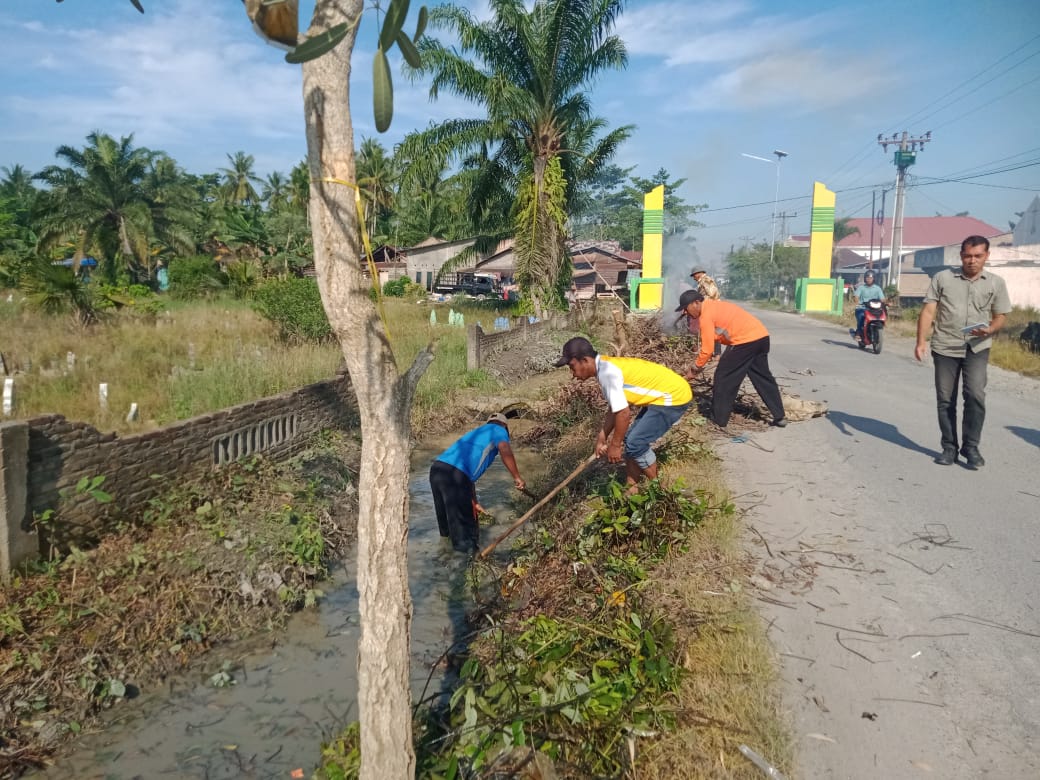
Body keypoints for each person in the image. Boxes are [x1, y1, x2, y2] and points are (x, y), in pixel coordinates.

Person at [915, 235, 1011, 469]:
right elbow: (928, 311)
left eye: (978, 256)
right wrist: (920, 342)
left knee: (975, 395)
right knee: (945, 399)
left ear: (987, 256)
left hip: (977, 347)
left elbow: (1001, 316)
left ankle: (971, 447)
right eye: (967, 255)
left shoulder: (996, 283)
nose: (972, 260)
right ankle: (949, 447)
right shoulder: (943, 278)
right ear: (961, 256)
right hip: (945, 346)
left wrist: (990, 329)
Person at [554, 336, 692, 495]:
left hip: (673, 397)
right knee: (630, 439)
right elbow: (615, 407)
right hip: (667, 394)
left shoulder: (607, 373)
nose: (573, 374)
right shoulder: (605, 366)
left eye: (572, 367)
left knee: (635, 443)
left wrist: (615, 445)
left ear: (585, 360)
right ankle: (631, 487)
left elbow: (623, 413)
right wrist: (602, 437)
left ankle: (662, 491)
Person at [676, 290, 787, 428]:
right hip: (761, 337)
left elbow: (707, 350)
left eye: (686, 308)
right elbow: (718, 334)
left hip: (744, 342)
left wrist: (695, 369)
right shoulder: (715, 306)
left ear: (696, 303)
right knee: (762, 377)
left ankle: (718, 420)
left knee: (723, 378)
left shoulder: (706, 315)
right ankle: (779, 416)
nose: (686, 312)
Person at [429, 414, 526, 553]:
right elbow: (505, 449)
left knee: (447, 530)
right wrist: (517, 477)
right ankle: (469, 561)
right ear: (505, 425)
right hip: (455, 476)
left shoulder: (476, 432)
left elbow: (468, 478)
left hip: (437, 470)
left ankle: (444, 558)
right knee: (466, 536)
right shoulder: (499, 430)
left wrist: (474, 502)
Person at [851, 270, 884, 339]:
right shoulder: (861, 288)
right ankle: (858, 332)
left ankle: (877, 330)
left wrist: (886, 302)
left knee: (882, 315)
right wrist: (857, 301)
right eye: (867, 278)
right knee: (861, 316)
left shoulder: (878, 288)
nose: (869, 279)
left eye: (871, 278)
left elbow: (882, 299)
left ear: (874, 278)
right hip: (862, 307)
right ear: (865, 279)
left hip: (874, 309)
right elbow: (856, 297)